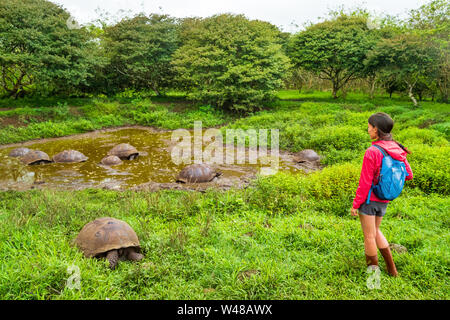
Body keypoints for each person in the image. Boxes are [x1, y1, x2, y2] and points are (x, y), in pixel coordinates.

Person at [351, 112, 413, 276]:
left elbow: (364, 183)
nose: (368, 129)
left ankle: (373, 279)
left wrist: (356, 204)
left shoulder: (372, 151)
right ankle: (393, 271)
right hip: (384, 199)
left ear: (376, 129)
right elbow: (408, 174)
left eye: (370, 126)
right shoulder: (398, 148)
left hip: (370, 200)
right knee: (376, 231)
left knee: (369, 237)